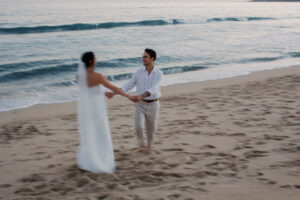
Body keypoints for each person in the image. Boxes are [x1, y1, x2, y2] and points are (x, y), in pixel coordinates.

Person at [77, 51, 135, 173]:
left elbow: (86, 92)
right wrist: (128, 96)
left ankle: (89, 159)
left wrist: (102, 93)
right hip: (97, 107)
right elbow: (113, 88)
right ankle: (101, 160)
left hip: (87, 108)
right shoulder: (98, 76)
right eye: (95, 58)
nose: (96, 60)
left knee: (90, 132)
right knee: (101, 132)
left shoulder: (79, 76)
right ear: (91, 61)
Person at [106, 48, 163, 154]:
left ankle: (149, 147)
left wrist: (141, 96)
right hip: (140, 104)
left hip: (153, 104)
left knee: (151, 130)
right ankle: (141, 143)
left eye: (145, 57)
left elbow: (154, 88)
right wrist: (114, 93)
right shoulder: (138, 72)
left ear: (152, 58)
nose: (143, 59)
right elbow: (128, 85)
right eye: (143, 57)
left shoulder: (158, 73)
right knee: (138, 126)